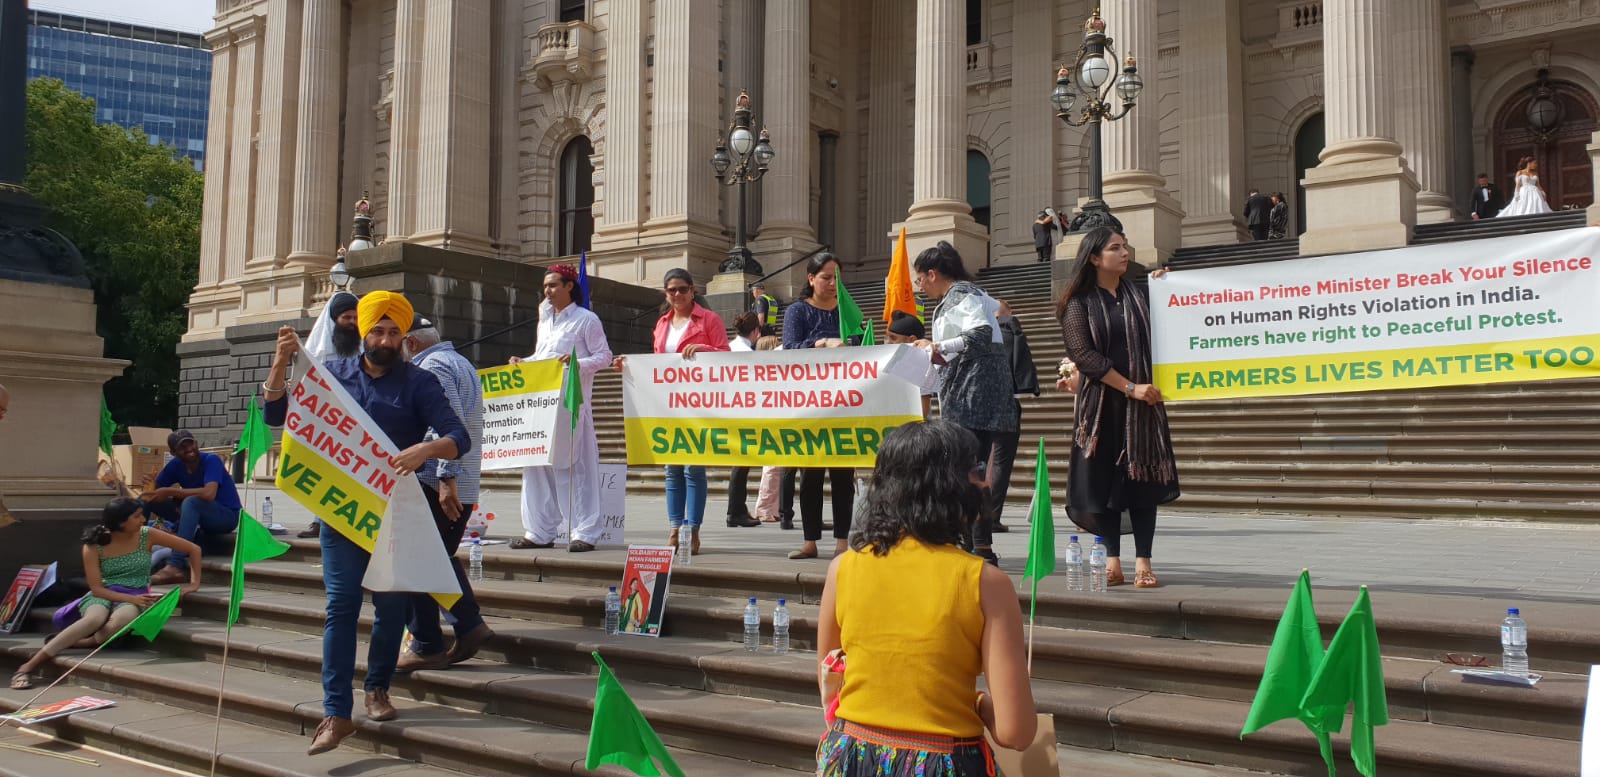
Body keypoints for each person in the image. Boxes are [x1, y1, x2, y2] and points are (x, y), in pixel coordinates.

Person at [261, 290, 471, 755]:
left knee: (392, 609)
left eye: (394, 331)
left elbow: (460, 437)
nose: (385, 338)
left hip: (395, 513)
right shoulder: (332, 375)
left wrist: (426, 450)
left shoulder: (420, 384)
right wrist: (280, 363)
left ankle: (377, 689)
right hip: (342, 510)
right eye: (377, 329)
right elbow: (275, 414)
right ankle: (336, 712)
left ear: (404, 337)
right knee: (341, 606)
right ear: (362, 332)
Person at [816, 421, 1036, 772]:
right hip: (945, 761)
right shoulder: (986, 583)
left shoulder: (842, 568)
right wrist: (977, 703)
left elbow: (831, 674)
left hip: (849, 755)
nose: (986, 481)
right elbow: (1017, 732)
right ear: (954, 487)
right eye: (978, 470)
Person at [1055, 227, 1180, 590]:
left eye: (1125, 246)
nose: (1124, 253)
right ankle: (1112, 560)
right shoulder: (1077, 303)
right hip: (1101, 407)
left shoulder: (1140, 296)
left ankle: (1144, 561)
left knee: (1142, 480)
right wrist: (1129, 387)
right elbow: (1084, 356)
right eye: (1114, 248)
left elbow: (1173, 327)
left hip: (1143, 407)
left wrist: (1166, 289)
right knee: (1102, 483)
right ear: (1094, 258)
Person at [10, 498, 201, 690]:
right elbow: (97, 589)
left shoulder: (147, 535)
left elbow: (193, 549)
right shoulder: (94, 545)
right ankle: (27, 667)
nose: (143, 519)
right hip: (104, 594)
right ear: (120, 522)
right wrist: (132, 599)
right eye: (136, 516)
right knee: (93, 619)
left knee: (123, 618)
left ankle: (84, 643)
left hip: (136, 593)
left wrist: (193, 585)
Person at [395, 316, 493, 672]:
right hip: (455, 483)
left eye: (398, 340)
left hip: (439, 484)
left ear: (412, 343)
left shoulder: (431, 366)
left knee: (411, 562)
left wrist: (446, 477)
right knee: (432, 557)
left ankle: (429, 642)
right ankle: (466, 625)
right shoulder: (460, 362)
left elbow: (445, 423)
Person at [909, 241, 1015, 565]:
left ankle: (976, 545)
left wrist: (937, 344)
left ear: (932, 273)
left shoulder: (961, 295)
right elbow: (1002, 310)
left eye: (920, 279)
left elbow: (981, 332)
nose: (918, 286)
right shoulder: (973, 294)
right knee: (971, 469)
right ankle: (975, 543)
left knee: (965, 470)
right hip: (978, 395)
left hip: (972, 397)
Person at [619, 269, 729, 555]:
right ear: (665, 294)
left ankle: (692, 530)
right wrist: (629, 366)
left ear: (693, 290)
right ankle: (673, 527)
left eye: (682, 289)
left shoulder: (710, 319)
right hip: (668, 403)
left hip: (699, 402)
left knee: (694, 468)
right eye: (671, 290)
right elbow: (656, 363)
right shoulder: (662, 323)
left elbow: (728, 357)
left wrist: (704, 348)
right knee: (672, 469)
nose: (677, 295)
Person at [511, 265, 614, 552]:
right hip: (540, 403)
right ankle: (539, 530)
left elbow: (604, 356)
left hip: (571, 405)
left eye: (554, 285)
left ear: (570, 286)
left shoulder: (586, 320)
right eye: (546, 286)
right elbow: (543, 356)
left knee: (577, 466)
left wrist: (576, 365)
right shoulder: (545, 320)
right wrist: (524, 362)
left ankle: (585, 531)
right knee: (535, 463)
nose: (548, 291)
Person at [781, 252, 856, 560]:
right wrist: (821, 344)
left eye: (836, 278)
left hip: (843, 403)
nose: (831, 283)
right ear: (811, 279)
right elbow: (789, 349)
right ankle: (809, 540)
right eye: (826, 277)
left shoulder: (847, 311)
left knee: (843, 477)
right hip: (809, 405)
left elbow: (861, 347)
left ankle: (842, 542)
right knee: (809, 477)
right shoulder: (798, 311)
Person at [298, 291, 362, 538]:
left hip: (355, 420)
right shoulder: (318, 350)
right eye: (347, 317)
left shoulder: (363, 345)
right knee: (323, 469)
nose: (353, 323)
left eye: (356, 317)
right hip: (325, 419)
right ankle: (319, 520)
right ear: (335, 319)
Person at [143, 430, 240, 585]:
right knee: (147, 500)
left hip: (225, 516)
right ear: (174, 452)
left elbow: (209, 493)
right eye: (183, 447)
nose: (189, 449)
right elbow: (155, 492)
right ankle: (132, 551)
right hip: (195, 515)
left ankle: (174, 566)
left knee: (191, 501)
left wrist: (171, 491)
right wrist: (150, 487)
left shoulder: (211, 460)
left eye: (191, 443)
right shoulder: (175, 465)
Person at [986, 300, 1040, 533]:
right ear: (1009, 312)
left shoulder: (982, 332)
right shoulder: (1013, 330)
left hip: (981, 403)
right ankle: (992, 514)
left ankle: (977, 515)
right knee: (1001, 461)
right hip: (1007, 402)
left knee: (981, 458)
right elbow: (1022, 364)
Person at [722, 312, 764, 528]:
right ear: (756, 331)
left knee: (740, 464)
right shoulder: (748, 353)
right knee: (742, 464)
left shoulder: (728, 347)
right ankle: (735, 511)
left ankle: (737, 509)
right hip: (744, 410)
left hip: (729, 408)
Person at [751, 335, 786, 524]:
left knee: (774, 467)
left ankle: (770, 508)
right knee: (772, 467)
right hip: (772, 420)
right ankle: (764, 508)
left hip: (773, 418)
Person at [886, 310, 938, 420]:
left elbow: (923, 410)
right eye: (887, 338)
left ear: (912, 340)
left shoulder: (922, 368)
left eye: (893, 338)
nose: (888, 342)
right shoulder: (891, 363)